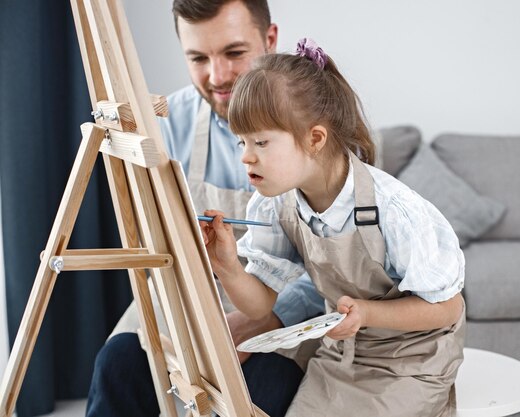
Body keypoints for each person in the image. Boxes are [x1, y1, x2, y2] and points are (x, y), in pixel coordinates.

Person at [202, 39, 467, 417]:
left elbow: (446, 307)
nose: (245, 155)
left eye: (260, 141)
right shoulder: (278, 203)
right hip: (344, 354)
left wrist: (366, 313)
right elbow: (259, 304)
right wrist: (226, 265)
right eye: (241, 141)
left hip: (415, 360)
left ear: (315, 139)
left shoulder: (393, 209)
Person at [85, 2, 325, 416]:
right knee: (117, 366)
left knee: (263, 388)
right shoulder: (164, 122)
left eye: (234, 53)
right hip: (183, 303)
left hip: (282, 310)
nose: (217, 77)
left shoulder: (316, 128)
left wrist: (263, 320)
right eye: (198, 58)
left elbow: (336, 265)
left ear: (270, 40)